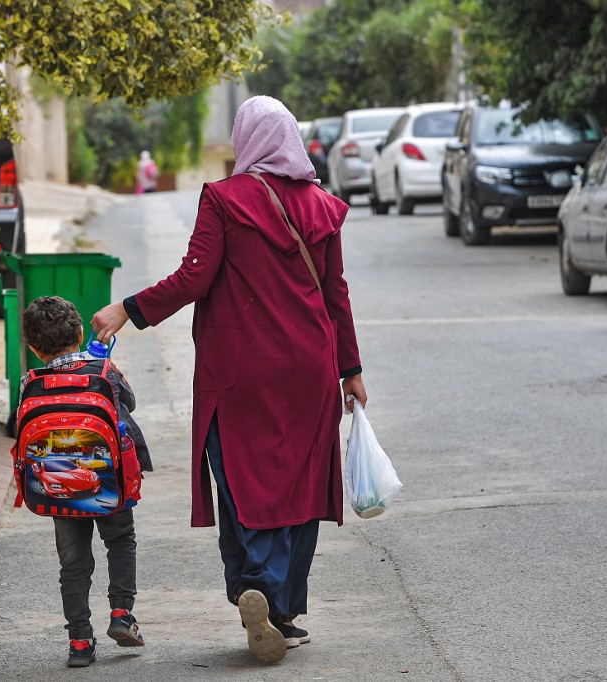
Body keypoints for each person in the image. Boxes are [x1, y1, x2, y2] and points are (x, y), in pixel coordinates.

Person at [92, 95, 367, 665]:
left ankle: (258, 588)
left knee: (244, 477)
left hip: (239, 370)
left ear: (245, 140)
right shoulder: (323, 206)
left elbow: (195, 278)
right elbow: (335, 294)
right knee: (298, 483)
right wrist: (352, 371)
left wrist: (128, 310)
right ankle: (281, 609)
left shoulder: (223, 198)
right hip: (310, 368)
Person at [20, 295, 154, 668]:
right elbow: (129, 401)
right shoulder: (103, 370)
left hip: (57, 489)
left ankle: (79, 640)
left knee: (73, 563)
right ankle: (122, 615)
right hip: (109, 482)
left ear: (33, 347)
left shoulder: (30, 384)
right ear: (80, 332)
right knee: (121, 540)